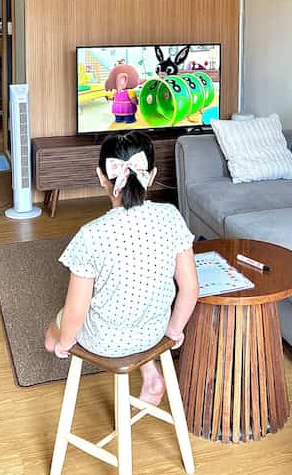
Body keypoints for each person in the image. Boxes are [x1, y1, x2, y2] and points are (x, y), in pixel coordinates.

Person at [44, 131, 199, 406]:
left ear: (102, 177)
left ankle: (55, 342)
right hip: (154, 332)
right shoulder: (171, 217)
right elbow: (189, 289)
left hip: (105, 341)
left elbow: (76, 311)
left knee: (54, 331)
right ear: (151, 175)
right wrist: (173, 332)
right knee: (135, 300)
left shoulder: (91, 235)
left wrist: (66, 343)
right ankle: (150, 373)